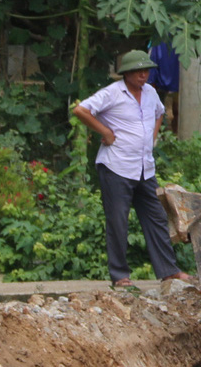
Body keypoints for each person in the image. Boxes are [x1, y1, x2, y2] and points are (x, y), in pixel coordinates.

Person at [72, 50, 193, 289]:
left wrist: (152, 138)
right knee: (118, 221)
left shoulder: (150, 93)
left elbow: (159, 113)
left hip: (144, 168)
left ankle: (169, 270)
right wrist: (105, 132)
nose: (143, 75)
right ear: (126, 73)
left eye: (146, 70)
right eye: (138, 71)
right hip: (116, 166)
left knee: (156, 218)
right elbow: (81, 110)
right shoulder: (112, 93)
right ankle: (120, 276)